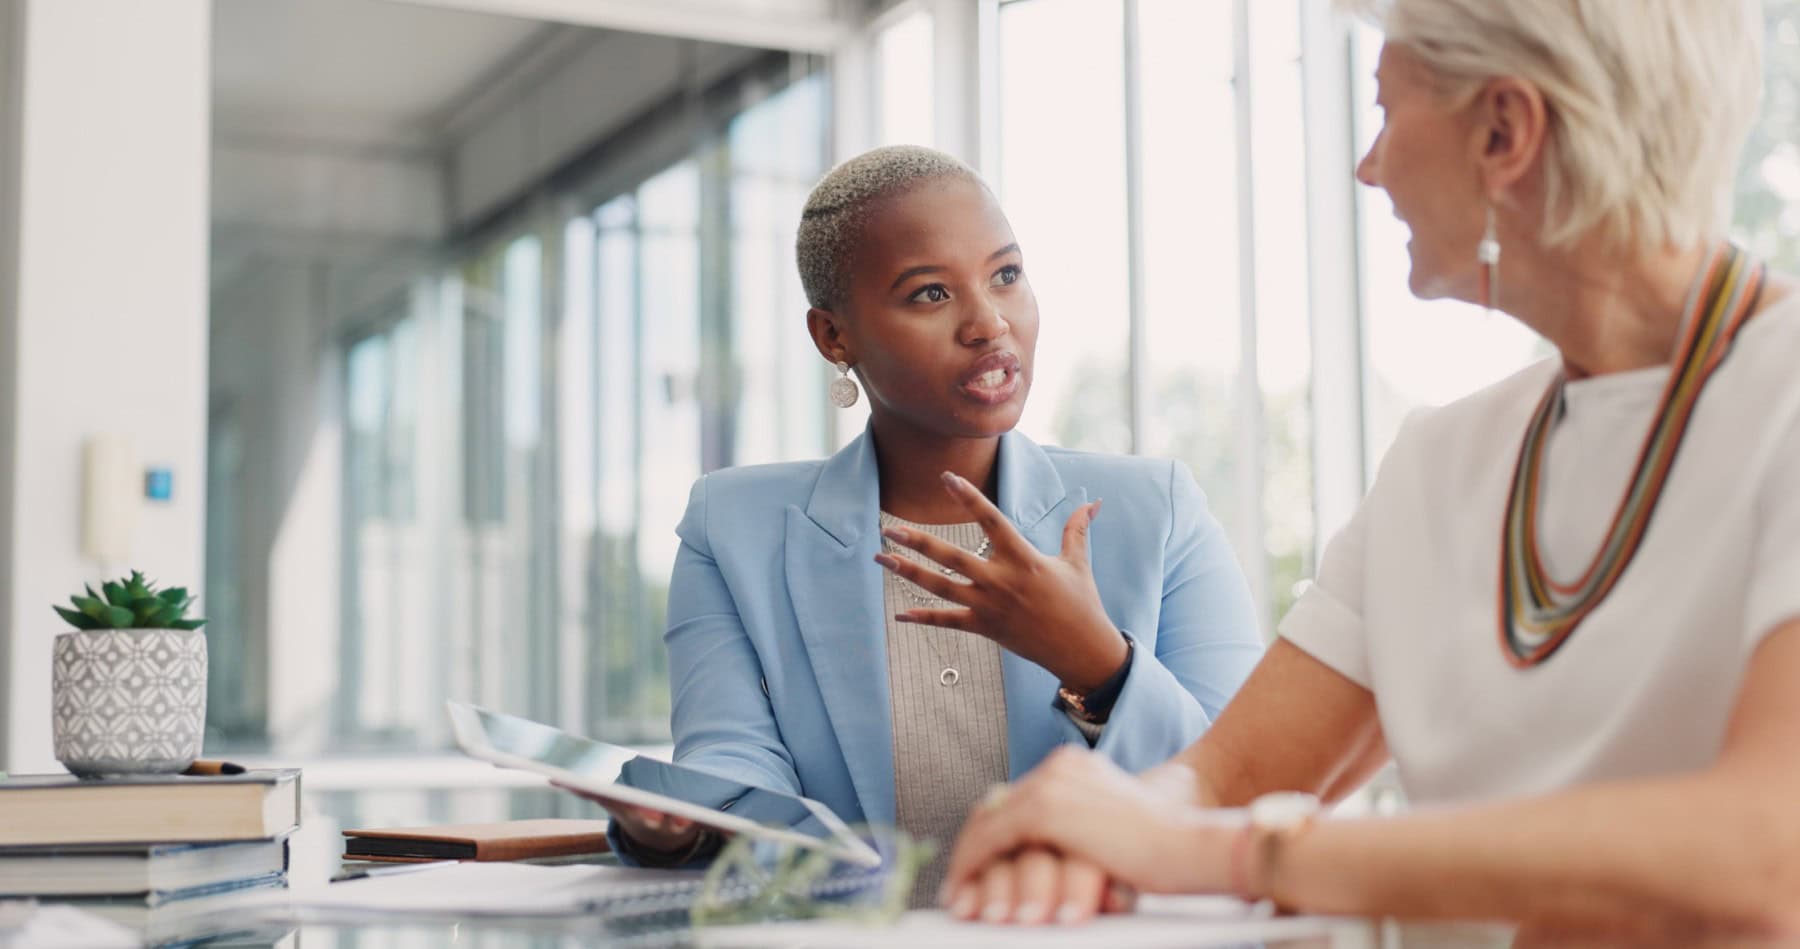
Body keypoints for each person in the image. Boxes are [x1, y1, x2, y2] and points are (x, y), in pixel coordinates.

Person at [919, 0, 1800, 937]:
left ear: (1505, 131)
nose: (1367, 165)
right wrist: (1088, 831)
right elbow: (1227, 777)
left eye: (1385, 110)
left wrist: (1229, 852)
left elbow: (1769, 849)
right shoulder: (1443, 458)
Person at [589, 145, 1265, 901]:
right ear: (833, 336)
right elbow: (734, 772)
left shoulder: (1156, 510)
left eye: (1006, 274)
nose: (987, 322)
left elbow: (1248, 788)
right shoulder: (732, 530)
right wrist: (682, 823)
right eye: (930, 294)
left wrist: (1100, 666)